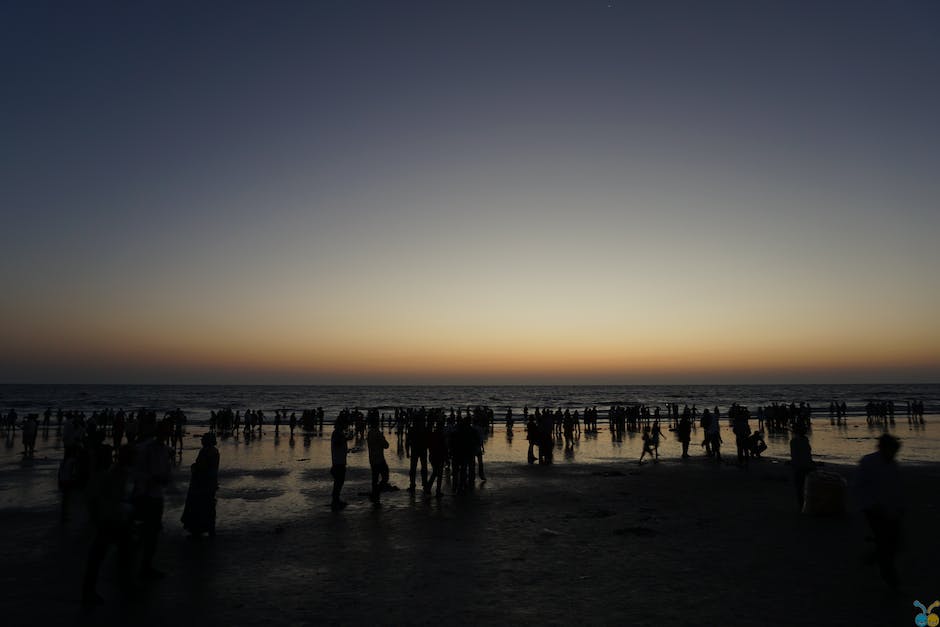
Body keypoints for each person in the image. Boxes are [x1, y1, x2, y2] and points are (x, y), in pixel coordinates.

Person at [82, 445, 134, 606]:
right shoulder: (100, 476)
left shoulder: (107, 473)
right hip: (108, 521)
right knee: (98, 557)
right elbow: (94, 501)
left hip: (115, 520)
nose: (111, 458)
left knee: (120, 553)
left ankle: (117, 585)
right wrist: (97, 521)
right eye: (108, 456)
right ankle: (89, 592)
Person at [856, 434, 904, 589]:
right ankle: (891, 580)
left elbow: (897, 489)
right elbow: (859, 487)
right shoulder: (868, 462)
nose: (894, 453)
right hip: (873, 510)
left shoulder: (893, 465)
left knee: (894, 542)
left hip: (890, 509)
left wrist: (899, 507)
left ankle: (874, 556)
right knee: (885, 543)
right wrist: (870, 505)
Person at [132, 416, 172, 579]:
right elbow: (138, 471)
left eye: (167, 431)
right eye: (163, 431)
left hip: (156, 497)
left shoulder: (165, 450)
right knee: (146, 532)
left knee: (151, 534)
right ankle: (137, 564)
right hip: (146, 496)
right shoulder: (146, 448)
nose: (166, 434)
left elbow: (165, 473)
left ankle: (145, 566)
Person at [181, 433, 220, 535]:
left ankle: (198, 529)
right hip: (210, 482)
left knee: (199, 505)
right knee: (209, 506)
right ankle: (210, 528)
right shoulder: (214, 451)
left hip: (202, 482)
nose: (201, 441)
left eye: (203, 439)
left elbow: (201, 467)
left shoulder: (206, 451)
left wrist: (194, 467)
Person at [789, 424, 814, 511]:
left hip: (799, 467)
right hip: (808, 466)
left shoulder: (794, 441)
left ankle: (802, 506)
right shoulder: (805, 440)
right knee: (807, 487)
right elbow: (808, 454)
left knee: (800, 488)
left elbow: (794, 456)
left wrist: (794, 465)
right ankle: (807, 505)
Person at [366, 416, 390, 503]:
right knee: (385, 476)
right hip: (379, 458)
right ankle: (377, 491)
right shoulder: (377, 433)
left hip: (372, 458)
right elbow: (386, 445)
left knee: (375, 477)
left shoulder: (369, 433)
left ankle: (375, 492)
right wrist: (383, 438)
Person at [330, 417, 350, 509]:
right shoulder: (337, 433)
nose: (347, 426)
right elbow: (337, 443)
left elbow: (338, 444)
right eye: (345, 424)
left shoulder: (338, 433)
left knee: (338, 481)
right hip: (338, 462)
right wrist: (345, 439)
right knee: (339, 481)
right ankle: (335, 499)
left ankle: (336, 499)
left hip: (338, 460)